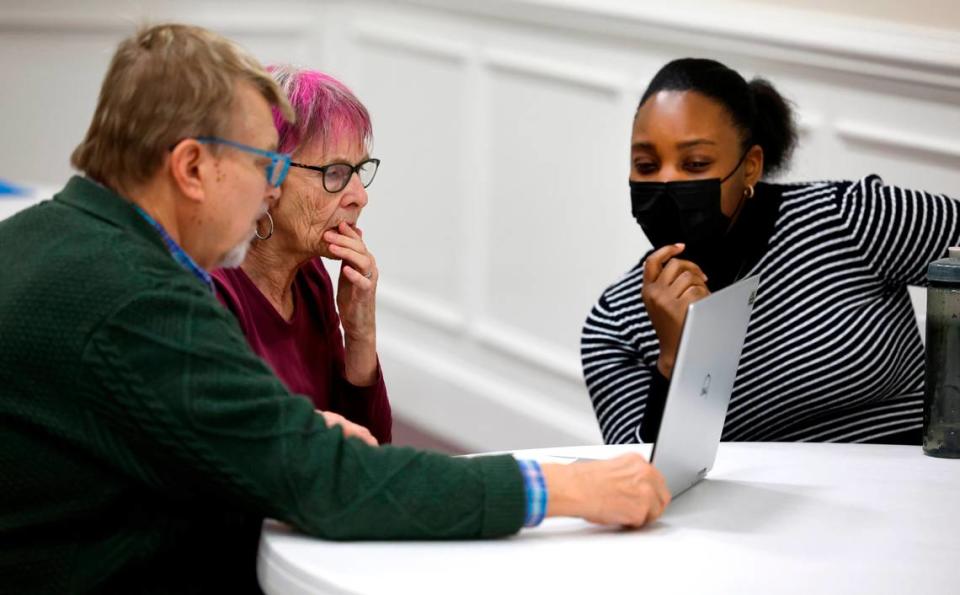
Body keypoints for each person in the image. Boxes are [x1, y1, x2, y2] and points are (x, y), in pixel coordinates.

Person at [0, 24, 669, 593]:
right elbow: (327, 483)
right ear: (193, 168)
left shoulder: (39, 234)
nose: (269, 189)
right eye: (264, 161)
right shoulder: (142, 300)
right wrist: (566, 488)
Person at [582, 58, 960, 446]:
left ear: (750, 167)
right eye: (646, 165)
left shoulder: (851, 217)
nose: (666, 181)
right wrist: (674, 360)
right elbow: (635, 480)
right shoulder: (617, 323)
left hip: (912, 487)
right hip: (759, 505)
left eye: (695, 164)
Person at [212, 66, 389, 446]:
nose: (360, 195)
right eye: (336, 173)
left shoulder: (311, 277)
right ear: (265, 176)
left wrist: (359, 335)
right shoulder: (208, 291)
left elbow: (371, 456)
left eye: (359, 170)